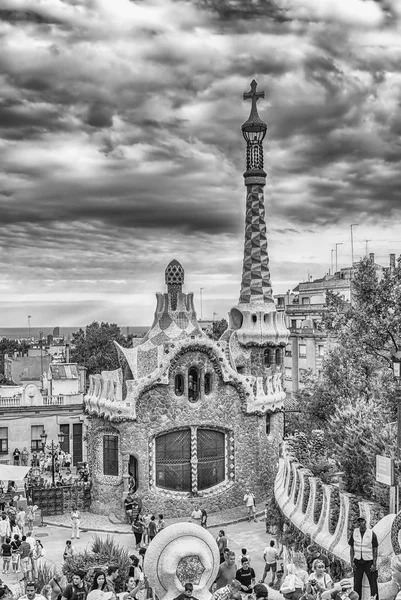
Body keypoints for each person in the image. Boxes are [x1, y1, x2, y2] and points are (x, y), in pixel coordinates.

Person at [349, 516, 378, 600]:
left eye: (362, 521)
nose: (360, 522)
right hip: (357, 562)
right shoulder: (354, 532)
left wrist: (374, 564)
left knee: (373, 583)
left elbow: (375, 548)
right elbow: (351, 547)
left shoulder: (371, 533)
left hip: (369, 562)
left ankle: (375, 598)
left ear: (365, 522)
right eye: (359, 521)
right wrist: (351, 561)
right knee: (357, 583)